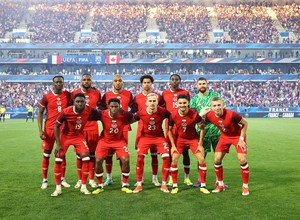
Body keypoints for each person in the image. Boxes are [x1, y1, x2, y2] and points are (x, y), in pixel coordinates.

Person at [51, 93, 99, 197]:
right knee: (58, 159)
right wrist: (58, 144)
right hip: (66, 136)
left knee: (86, 158)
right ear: (74, 102)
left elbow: (99, 114)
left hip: (78, 136)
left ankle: (83, 186)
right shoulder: (66, 112)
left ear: (85, 102)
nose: (80, 104)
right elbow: (56, 127)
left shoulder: (89, 109)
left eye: (82, 101)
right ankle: (58, 188)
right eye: (78, 101)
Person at [202, 97, 250, 196]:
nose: (217, 108)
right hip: (225, 136)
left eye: (219, 105)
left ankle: (245, 186)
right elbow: (201, 124)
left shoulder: (232, 114)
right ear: (211, 107)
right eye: (214, 106)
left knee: (242, 160)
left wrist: (241, 139)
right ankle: (220, 185)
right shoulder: (209, 115)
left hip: (237, 136)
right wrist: (200, 115)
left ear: (223, 105)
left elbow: (245, 123)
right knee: (217, 159)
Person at [168, 94, 210, 194]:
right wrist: (173, 146)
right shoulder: (173, 115)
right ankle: (174, 186)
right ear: (177, 104)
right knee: (174, 159)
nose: (182, 105)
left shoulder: (194, 114)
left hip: (193, 140)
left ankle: (203, 186)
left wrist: (200, 143)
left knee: (201, 158)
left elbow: (202, 128)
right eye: (180, 103)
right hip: (180, 140)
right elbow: (169, 130)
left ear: (188, 103)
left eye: (184, 103)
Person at [92, 98, 135, 195]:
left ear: (119, 106)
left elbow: (134, 117)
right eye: (112, 106)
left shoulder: (124, 114)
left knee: (126, 159)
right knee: (98, 160)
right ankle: (100, 185)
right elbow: (91, 115)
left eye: (116, 106)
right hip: (104, 141)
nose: (114, 109)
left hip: (119, 141)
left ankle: (124, 184)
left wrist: (126, 123)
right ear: (108, 107)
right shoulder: (102, 114)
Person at [99, 74, 133, 187]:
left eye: (120, 81)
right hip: (109, 129)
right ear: (112, 82)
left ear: (122, 82)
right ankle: (109, 178)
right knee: (108, 155)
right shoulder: (107, 95)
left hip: (123, 129)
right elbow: (102, 109)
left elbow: (134, 109)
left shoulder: (128, 94)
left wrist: (126, 119)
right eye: (115, 81)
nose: (118, 82)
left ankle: (123, 180)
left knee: (122, 156)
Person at [190, 77, 224, 187]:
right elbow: (192, 116)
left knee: (218, 157)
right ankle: (200, 180)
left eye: (203, 83)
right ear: (197, 85)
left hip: (216, 130)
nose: (202, 85)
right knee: (200, 156)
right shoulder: (194, 99)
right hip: (201, 132)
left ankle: (219, 181)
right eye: (200, 84)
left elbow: (222, 110)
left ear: (207, 84)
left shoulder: (215, 96)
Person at [131, 75, 165, 187]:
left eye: (148, 82)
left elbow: (162, 111)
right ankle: (139, 179)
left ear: (151, 83)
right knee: (141, 155)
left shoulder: (158, 97)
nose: (146, 84)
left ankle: (155, 178)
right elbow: (134, 113)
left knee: (154, 155)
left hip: (155, 129)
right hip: (142, 130)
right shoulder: (137, 97)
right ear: (141, 84)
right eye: (144, 82)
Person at [37, 75, 71, 190]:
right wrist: (41, 130)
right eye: (56, 82)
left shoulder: (67, 95)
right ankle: (45, 180)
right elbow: (40, 112)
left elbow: (79, 95)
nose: (59, 84)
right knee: (47, 154)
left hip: (62, 130)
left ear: (63, 83)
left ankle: (62, 179)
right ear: (53, 83)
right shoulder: (47, 97)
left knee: (62, 154)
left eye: (61, 82)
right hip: (49, 130)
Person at [132, 93, 170, 193]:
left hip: (159, 137)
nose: (152, 103)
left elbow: (173, 117)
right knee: (140, 158)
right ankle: (139, 184)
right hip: (145, 137)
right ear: (146, 102)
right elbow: (131, 120)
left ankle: (164, 184)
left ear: (157, 102)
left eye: (154, 101)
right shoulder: (141, 112)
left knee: (166, 157)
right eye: (150, 101)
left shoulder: (163, 111)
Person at [72, 73, 101, 189]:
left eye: (88, 79)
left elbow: (101, 107)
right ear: (81, 81)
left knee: (92, 155)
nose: (86, 81)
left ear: (91, 81)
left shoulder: (97, 93)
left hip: (93, 127)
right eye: (84, 79)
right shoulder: (75, 94)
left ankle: (92, 179)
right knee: (80, 155)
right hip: (79, 128)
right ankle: (80, 180)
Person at [162, 74, 192, 186]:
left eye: (176, 80)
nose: (174, 81)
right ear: (170, 81)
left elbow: (189, 107)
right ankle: (170, 177)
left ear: (180, 81)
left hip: (183, 126)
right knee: (171, 152)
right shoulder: (164, 93)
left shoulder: (185, 92)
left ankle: (186, 177)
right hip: (170, 126)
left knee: (185, 152)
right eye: (172, 79)